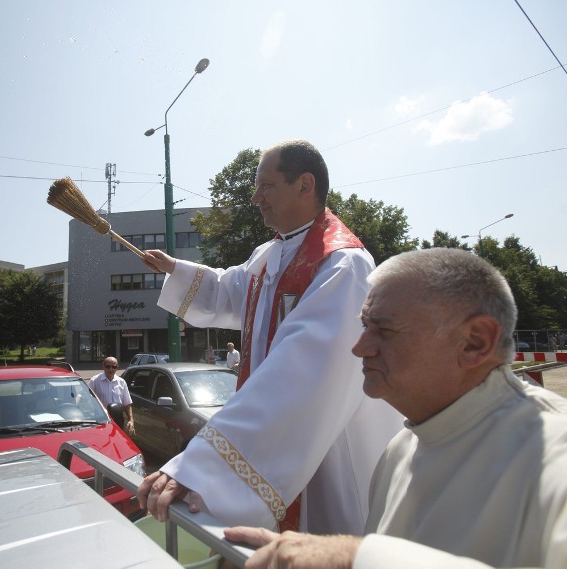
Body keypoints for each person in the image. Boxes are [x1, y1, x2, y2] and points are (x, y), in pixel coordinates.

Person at [226, 248, 567, 569]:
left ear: (474, 342)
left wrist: (353, 557)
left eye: (384, 329)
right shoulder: (399, 451)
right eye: (363, 326)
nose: (360, 347)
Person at [138, 140, 402, 534]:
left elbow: (301, 375)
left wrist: (207, 465)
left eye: (266, 186)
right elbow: (231, 290)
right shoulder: (269, 254)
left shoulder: (342, 264)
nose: (255, 197)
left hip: (322, 447)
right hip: (283, 437)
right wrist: (177, 269)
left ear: (305, 184)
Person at [86, 357, 135, 436]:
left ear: (117, 367)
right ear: (103, 367)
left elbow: (127, 403)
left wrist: (131, 420)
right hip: (100, 421)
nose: (111, 369)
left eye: (114, 367)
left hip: (117, 421)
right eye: (108, 366)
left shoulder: (122, 382)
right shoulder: (94, 381)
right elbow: (85, 398)